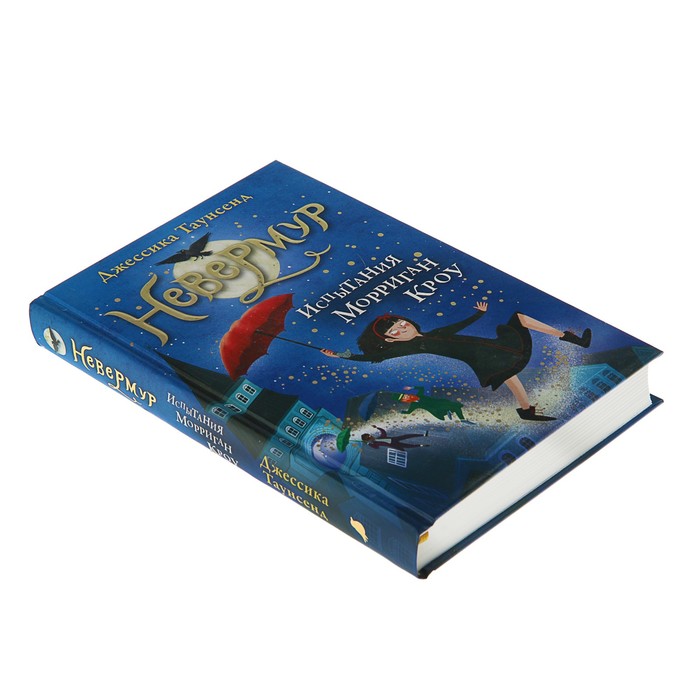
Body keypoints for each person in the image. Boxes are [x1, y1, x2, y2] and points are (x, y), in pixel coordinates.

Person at [321, 302, 591, 421]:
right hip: (483, 357)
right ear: (391, 340)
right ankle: (569, 342)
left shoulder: (433, 333)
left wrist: (478, 315)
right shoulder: (409, 347)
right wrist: (341, 355)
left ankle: (526, 409)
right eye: (395, 331)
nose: (402, 328)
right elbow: (374, 357)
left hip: (491, 347)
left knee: (511, 363)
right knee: (509, 369)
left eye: (401, 323)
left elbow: (457, 326)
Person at [361, 426, 429, 450]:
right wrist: (368, 443)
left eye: (370, 435)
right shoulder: (374, 444)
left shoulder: (379, 438)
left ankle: (423, 435)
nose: (371, 436)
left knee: (407, 436)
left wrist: (377, 427)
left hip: (393, 439)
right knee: (408, 446)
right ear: (368, 440)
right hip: (393, 444)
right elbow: (376, 447)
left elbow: (383, 432)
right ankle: (421, 445)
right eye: (369, 437)